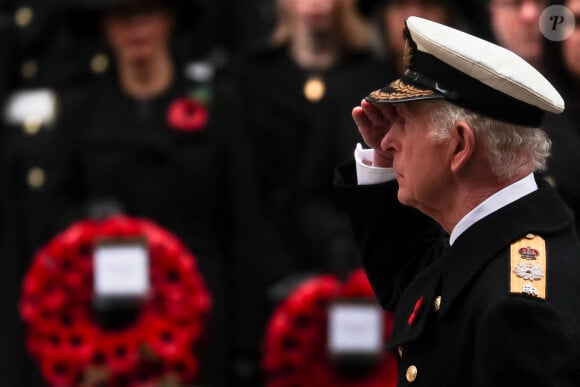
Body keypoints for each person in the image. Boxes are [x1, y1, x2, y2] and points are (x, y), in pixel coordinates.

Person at [335, 16, 580, 385]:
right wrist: (385, 168)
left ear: (460, 146)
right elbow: (416, 277)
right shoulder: (504, 227)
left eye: (404, 120)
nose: (386, 140)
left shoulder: (517, 311)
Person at [225, 0, 395, 383]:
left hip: (356, 272)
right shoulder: (250, 75)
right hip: (268, 270)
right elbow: (243, 191)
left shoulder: (373, 75)